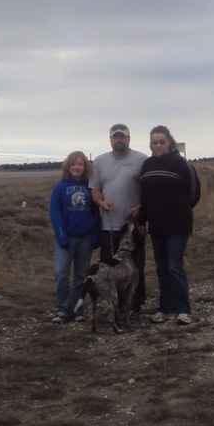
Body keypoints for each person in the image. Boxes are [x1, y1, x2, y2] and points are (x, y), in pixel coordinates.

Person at [138, 125, 201, 326]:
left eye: (162, 142)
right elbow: (144, 197)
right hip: (156, 226)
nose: (158, 145)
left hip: (178, 226)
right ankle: (165, 308)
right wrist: (142, 220)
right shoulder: (147, 165)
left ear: (169, 142)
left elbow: (194, 193)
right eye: (154, 142)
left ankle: (183, 310)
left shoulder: (181, 164)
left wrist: (179, 210)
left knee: (175, 267)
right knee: (161, 268)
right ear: (151, 144)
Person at [89, 123, 147, 311]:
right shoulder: (99, 161)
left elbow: (149, 189)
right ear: (110, 140)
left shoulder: (141, 159)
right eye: (116, 137)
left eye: (123, 137)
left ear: (129, 139)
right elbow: (95, 189)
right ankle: (115, 304)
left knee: (135, 265)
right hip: (109, 225)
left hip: (133, 225)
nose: (119, 140)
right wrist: (100, 202)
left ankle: (136, 303)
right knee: (111, 266)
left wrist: (141, 208)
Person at [49, 150, 100, 323]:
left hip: (85, 238)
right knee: (61, 273)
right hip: (66, 239)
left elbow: (95, 213)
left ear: (85, 167)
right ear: (68, 166)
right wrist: (61, 235)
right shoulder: (60, 188)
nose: (76, 167)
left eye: (80, 164)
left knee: (81, 276)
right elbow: (55, 214)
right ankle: (63, 308)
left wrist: (95, 236)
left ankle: (77, 309)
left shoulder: (89, 187)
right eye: (73, 164)